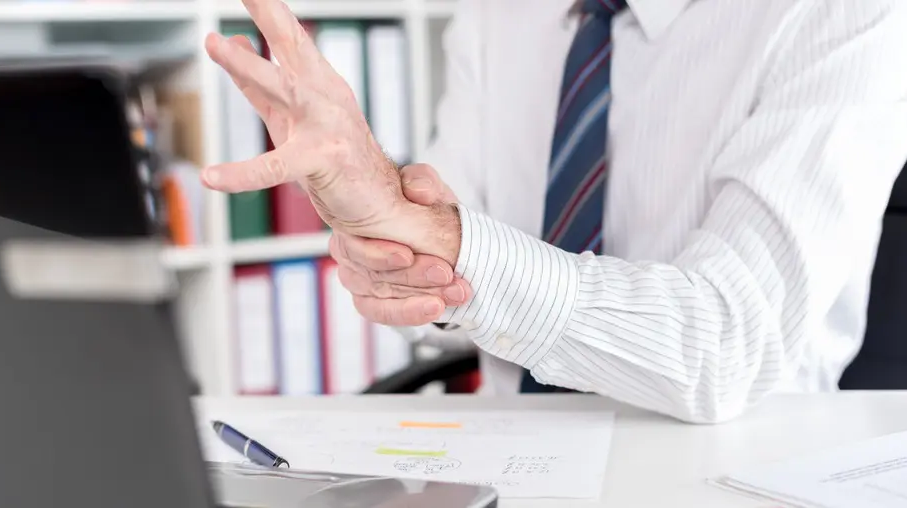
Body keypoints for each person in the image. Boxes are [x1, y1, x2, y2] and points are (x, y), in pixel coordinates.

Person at [202, 0, 907, 423]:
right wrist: (389, 240)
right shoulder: (499, 14)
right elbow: (450, 237)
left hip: (726, 467)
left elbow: (723, 344)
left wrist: (441, 242)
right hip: (513, 461)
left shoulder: (844, 15)